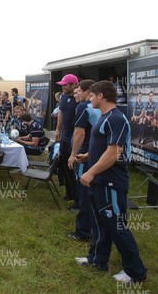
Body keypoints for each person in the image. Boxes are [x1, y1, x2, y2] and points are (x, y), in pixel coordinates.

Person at [75, 80, 147, 284]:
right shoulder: (105, 117)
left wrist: (90, 172)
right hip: (100, 181)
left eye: (92, 96)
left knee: (117, 226)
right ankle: (97, 260)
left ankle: (135, 272)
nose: (89, 99)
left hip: (110, 183)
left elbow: (115, 152)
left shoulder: (116, 118)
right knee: (99, 224)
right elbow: (104, 147)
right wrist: (88, 156)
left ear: (101, 96)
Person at [66, 80, 100, 240]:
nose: (76, 94)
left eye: (79, 90)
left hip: (85, 156)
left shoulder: (84, 107)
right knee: (94, 193)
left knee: (85, 193)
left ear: (88, 92)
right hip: (98, 155)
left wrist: (73, 154)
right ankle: (96, 228)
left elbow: (79, 132)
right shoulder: (101, 108)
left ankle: (83, 231)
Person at [55, 74, 79, 203]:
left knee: (74, 167)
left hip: (75, 138)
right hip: (64, 136)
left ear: (74, 85)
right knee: (65, 166)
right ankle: (69, 193)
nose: (63, 87)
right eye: (62, 85)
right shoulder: (63, 97)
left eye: (65, 85)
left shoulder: (79, 99)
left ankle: (78, 198)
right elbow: (61, 113)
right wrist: (58, 129)